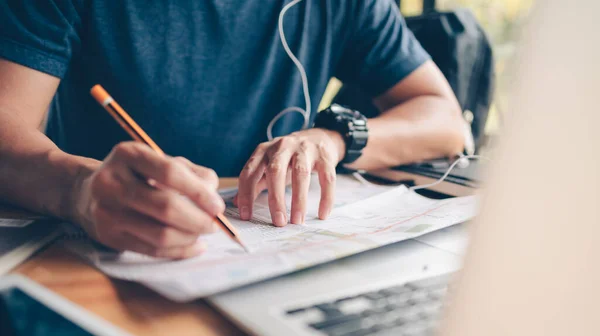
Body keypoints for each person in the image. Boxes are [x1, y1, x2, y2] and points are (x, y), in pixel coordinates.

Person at [0, 0, 466, 259]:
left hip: (263, 259)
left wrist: (335, 138)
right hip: (94, 262)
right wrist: (81, 190)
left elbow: (445, 120)